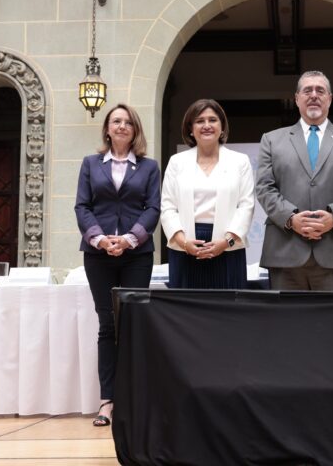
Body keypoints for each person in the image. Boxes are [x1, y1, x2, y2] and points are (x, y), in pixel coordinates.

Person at [74, 103, 161, 427]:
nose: (122, 126)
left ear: (135, 129)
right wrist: (99, 239)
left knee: (134, 324)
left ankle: (135, 398)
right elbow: (82, 206)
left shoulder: (149, 167)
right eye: (116, 121)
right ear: (107, 129)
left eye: (128, 122)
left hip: (137, 254)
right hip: (98, 255)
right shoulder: (90, 164)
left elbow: (153, 208)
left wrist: (128, 239)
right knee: (108, 325)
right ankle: (107, 401)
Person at [256, 71, 333, 291]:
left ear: (330, 99)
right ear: (297, 98)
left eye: (320, 90)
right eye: (307, 90)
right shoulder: (271, 140)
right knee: (287, 315)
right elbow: (264, 187)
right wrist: (291, 219)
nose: (314, 95)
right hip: (285, 251)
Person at [161, 99, 255, 288]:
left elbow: (246, 206)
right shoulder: (177, 162)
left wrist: (226, 242)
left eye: (212, 120)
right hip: (186, 245)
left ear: (222, 127)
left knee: (228, 304)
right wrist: (184, 243)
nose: (206, 125)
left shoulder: (240, 161)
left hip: (227, 245)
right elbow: (168, 207)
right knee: (186, 304)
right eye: (199, 121)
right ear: (190, 128)